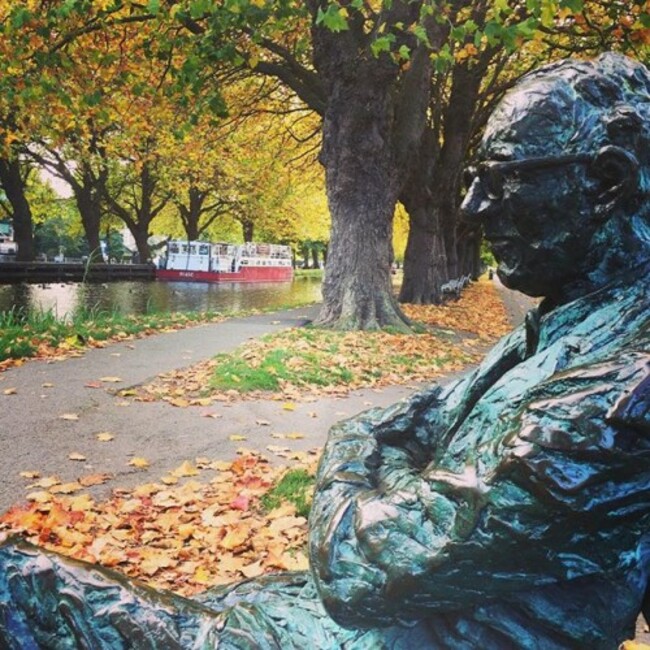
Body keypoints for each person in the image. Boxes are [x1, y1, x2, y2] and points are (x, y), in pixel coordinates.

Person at [1, 52, 648, 649]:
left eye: (500, 180)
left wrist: (370, 474)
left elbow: (353, 566)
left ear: (607, 182)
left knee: (18, 584)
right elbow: (381, 432)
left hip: (355, 631)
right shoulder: (563, 328)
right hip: (345, 618)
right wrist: (393, 482)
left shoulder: (613, 397)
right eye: (472, 178)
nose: (474, 207)